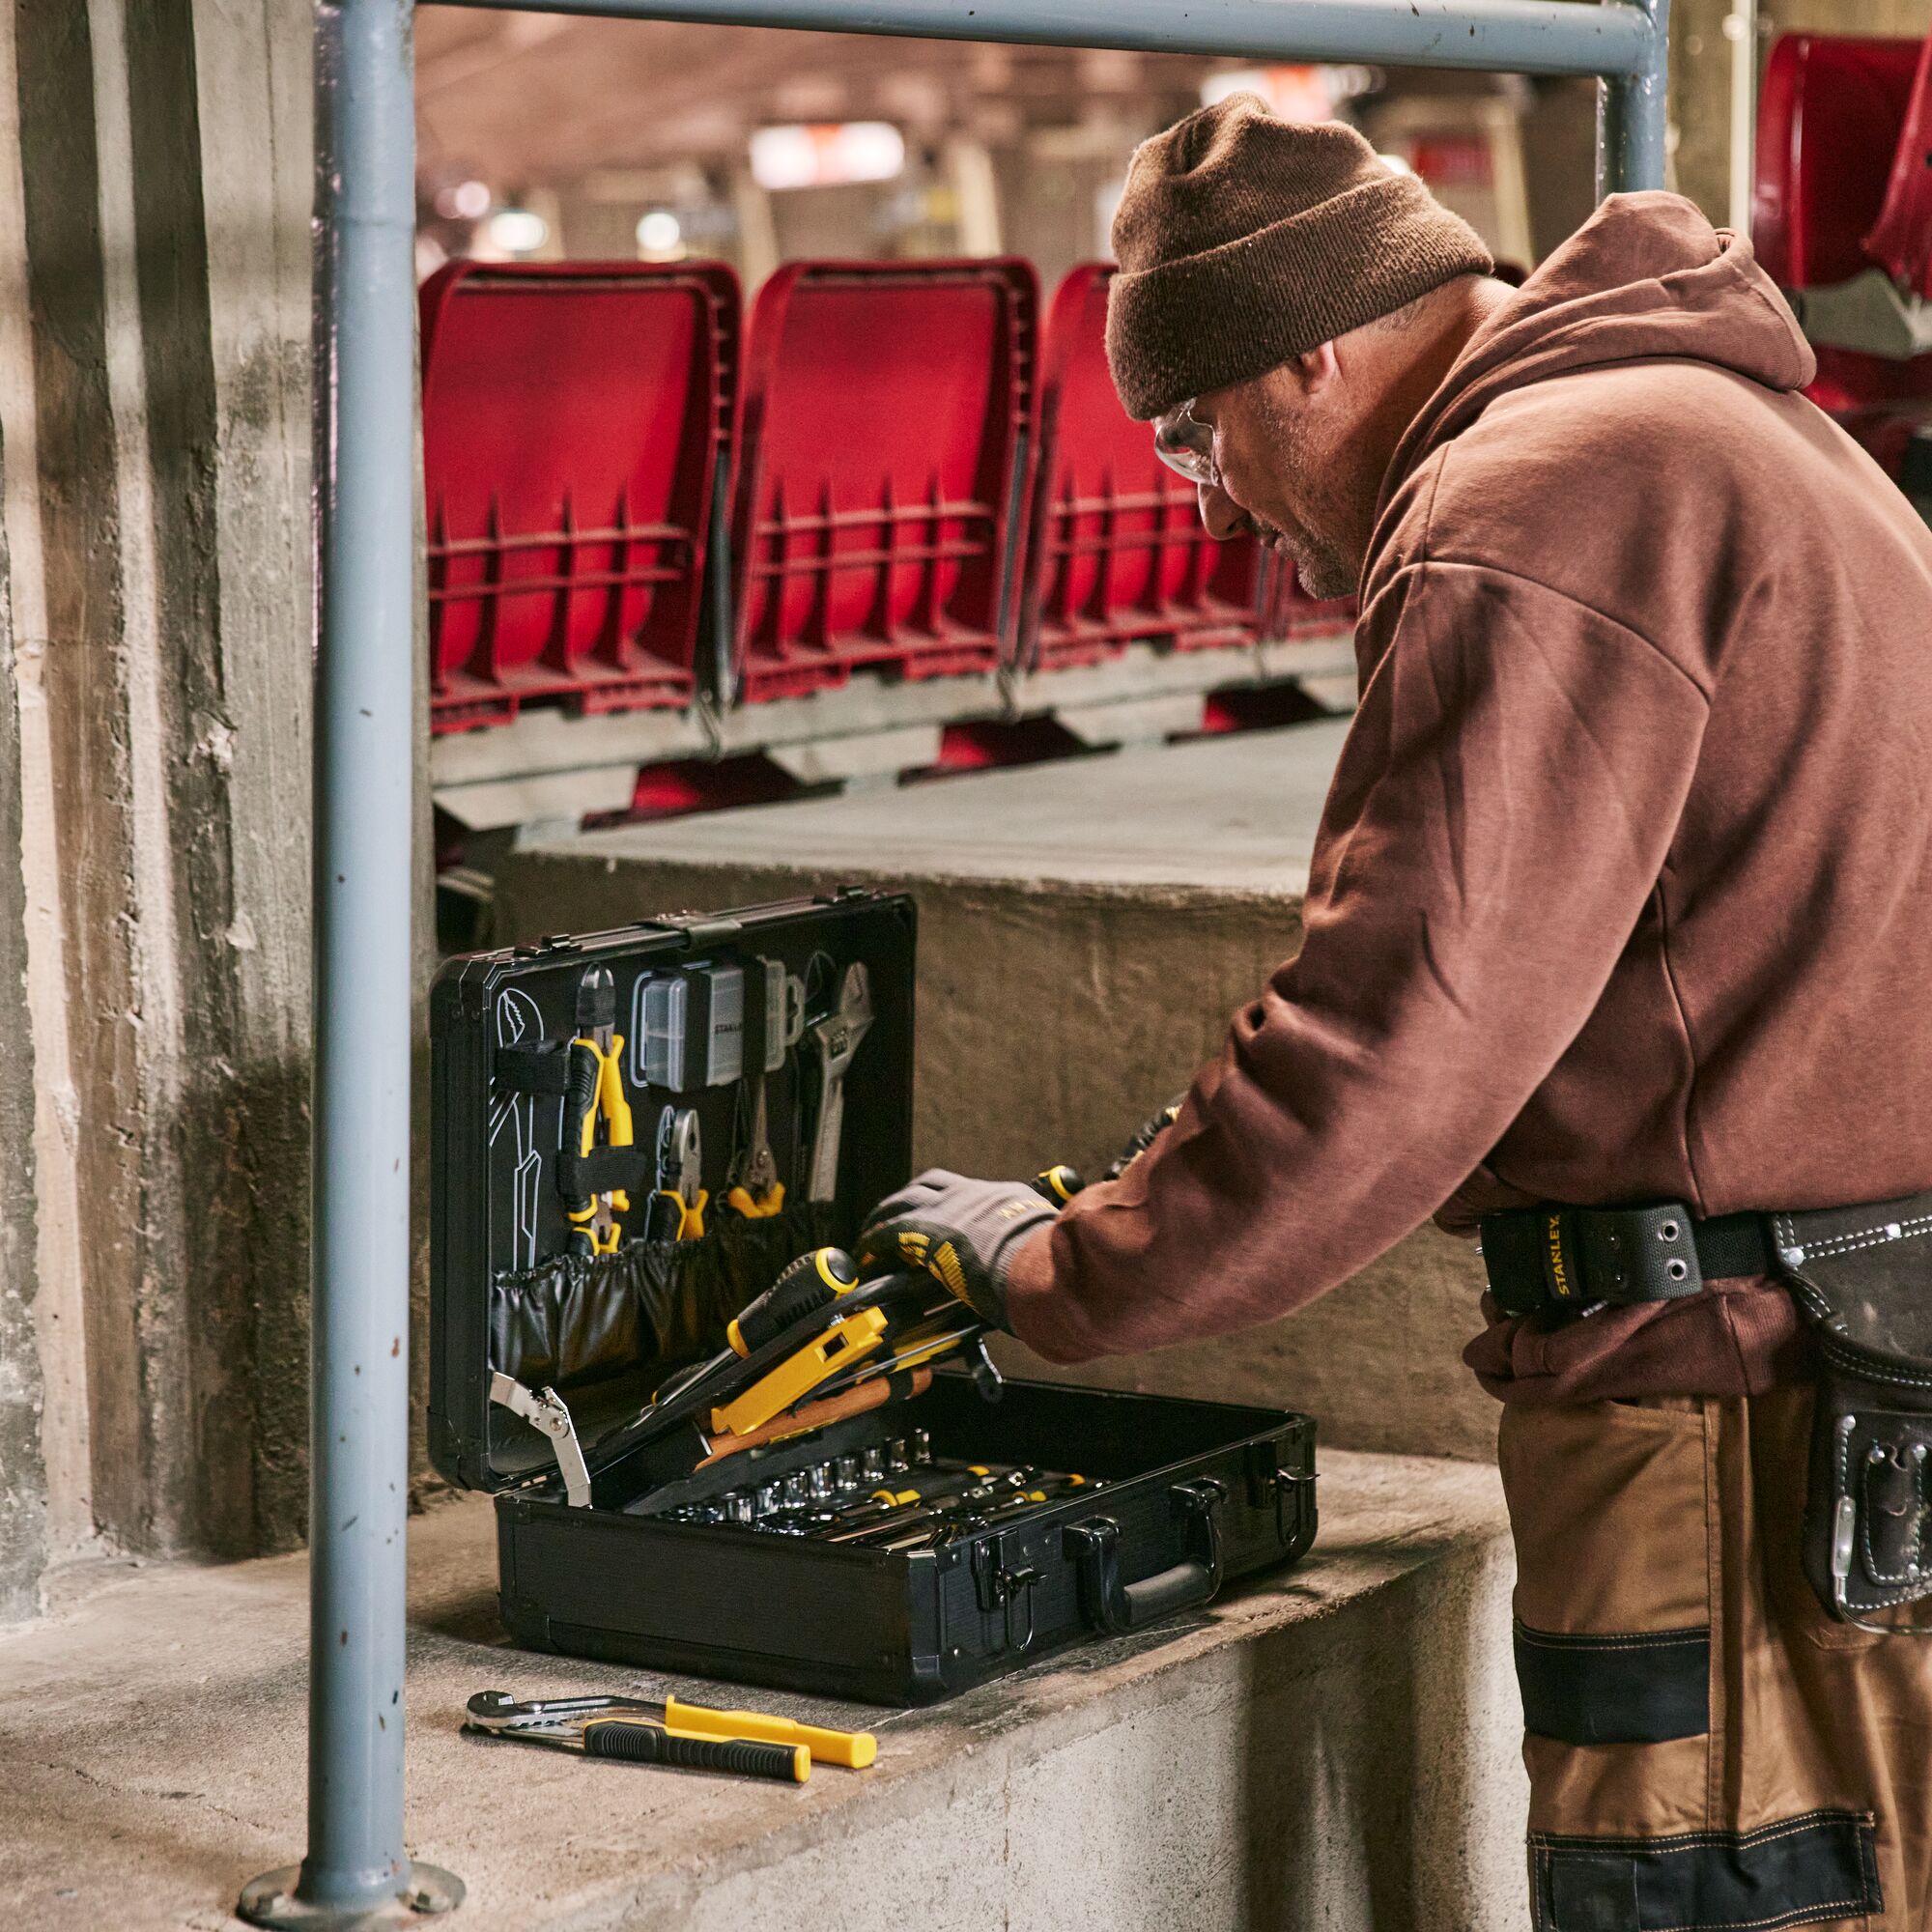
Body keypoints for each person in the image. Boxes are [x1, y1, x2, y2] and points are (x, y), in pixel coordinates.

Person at [861, 96, 1932, 1928]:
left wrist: (1065, 1265)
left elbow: (1395, 1033)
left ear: (1316, 349)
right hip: (1864, 1367)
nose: (1219, 502)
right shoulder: (1734, 429)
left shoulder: (1531, 505)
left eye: (1197, 432)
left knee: (1705, 1890)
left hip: (1724, 1434)